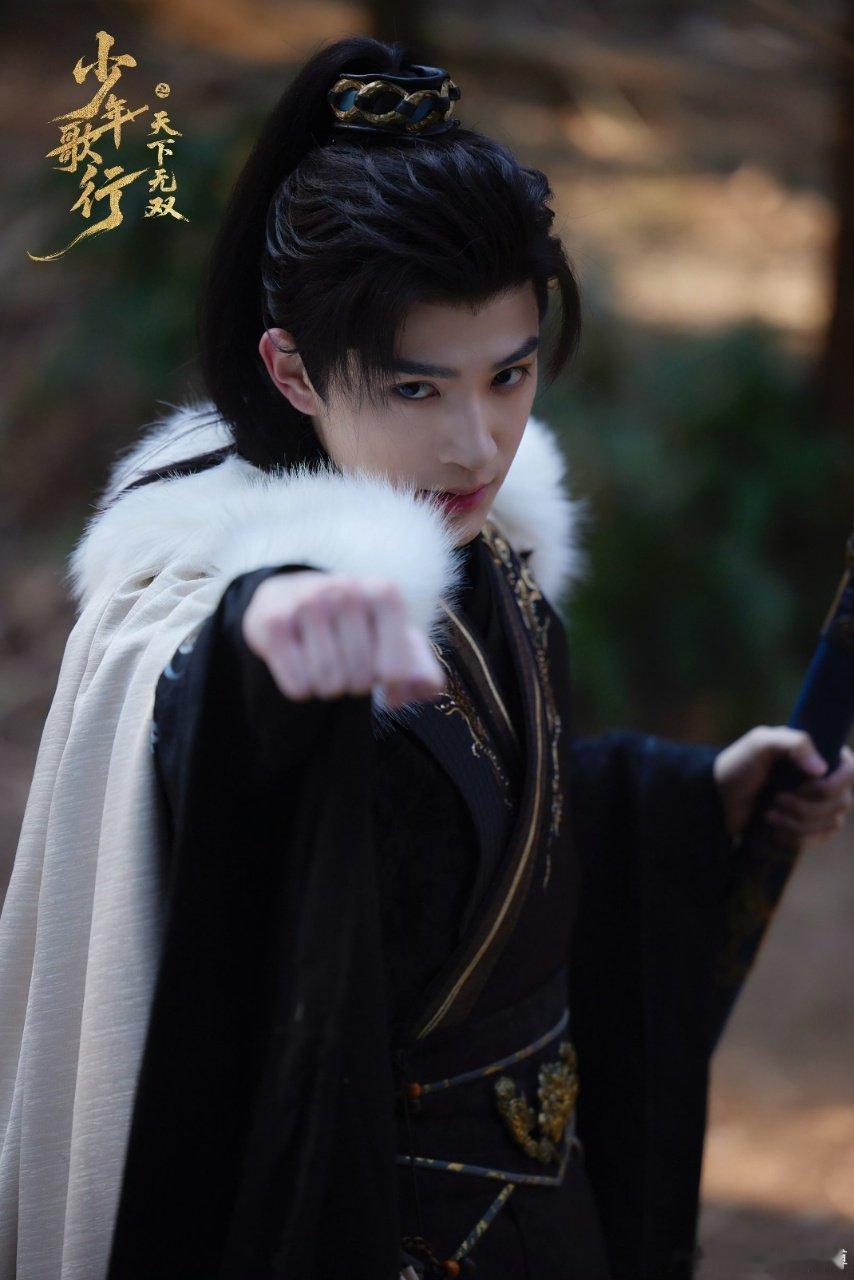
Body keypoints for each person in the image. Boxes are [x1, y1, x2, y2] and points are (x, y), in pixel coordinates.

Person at [2, 34, 852, 1280]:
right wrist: (261, 648)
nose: (477, 443)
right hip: (364, 1227)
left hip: (545, 1214)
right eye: (416, 391)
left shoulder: (485, 544)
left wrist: (683, 800)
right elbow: (229, 771)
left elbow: (473, 830)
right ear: (291, 369)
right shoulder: (206, 594)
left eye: (508, 376)